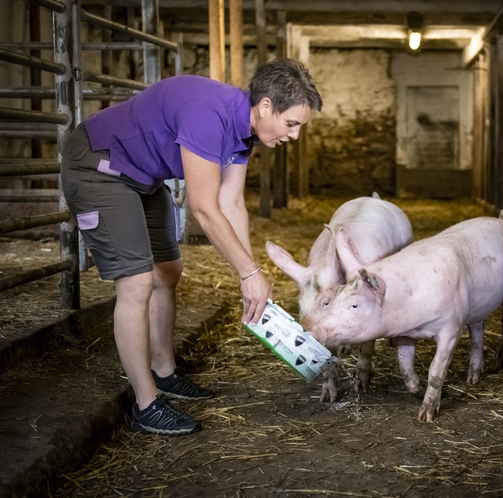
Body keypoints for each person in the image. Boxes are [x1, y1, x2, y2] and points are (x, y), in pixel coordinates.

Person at [60, 59, 323, 436]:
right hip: (99, 167)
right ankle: (146, 404)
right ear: (266, 106)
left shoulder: (244, 133)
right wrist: (250, 274)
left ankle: (164, 372)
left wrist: (246, 270)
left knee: (168, 271)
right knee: (137, 283)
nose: (294, 136)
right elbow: (203, 207)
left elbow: (232, 203)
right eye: (292, 124)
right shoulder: (209, 114)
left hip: (143, 177)